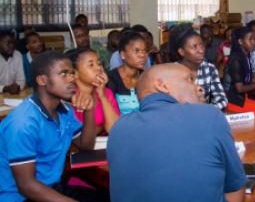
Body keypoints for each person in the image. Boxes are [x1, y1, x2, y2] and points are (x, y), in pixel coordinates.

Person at [107, 64, 247, 202]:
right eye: (189, 79)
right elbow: (236, 187)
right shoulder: (210, 115)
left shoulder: (117, 128)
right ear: (161, 85)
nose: (199, 87)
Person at [0, 51, 109, 202]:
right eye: (64, 74)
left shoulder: (65, 111)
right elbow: (26, 185)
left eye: (71, 73)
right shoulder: (23, 122)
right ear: (42, 80)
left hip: (52, 186)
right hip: (22, 196)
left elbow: (86, 145)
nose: (72, 78)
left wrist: (88, 109)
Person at [170, 24, 228, 111]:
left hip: (204, 116)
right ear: (181, 51)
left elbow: (222, 100)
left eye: (201, 45)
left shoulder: (209, 69)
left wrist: (204, 110)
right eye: (194, 47)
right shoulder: (172, 72)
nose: (200, 51)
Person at [66, 47, 121, 134]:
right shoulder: (70, 97)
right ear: (75, 73)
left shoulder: (106, 93)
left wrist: (103, 97)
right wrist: (102, 127)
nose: (99, 68)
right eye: (91, 65)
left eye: (99, 63)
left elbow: (115, 129)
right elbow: (79, 134)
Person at [107, 32, 147, 115]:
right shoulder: (110, 79)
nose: (142, 55)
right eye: (136, 51)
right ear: (123, 55)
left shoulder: (147, 77)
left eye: (144, 51)